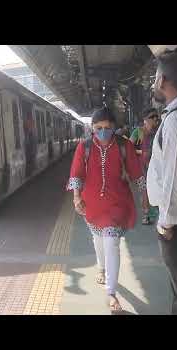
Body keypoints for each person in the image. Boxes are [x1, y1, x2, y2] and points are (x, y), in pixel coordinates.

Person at [67, 106, 145, 313]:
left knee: (111, 242)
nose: (103, 131)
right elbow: (76, 174)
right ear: (92, 128)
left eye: (108, 127)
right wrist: (76, 198)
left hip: (117, 204)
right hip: (91, 204)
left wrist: (146, 198)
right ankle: (101, 267)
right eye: (99, 127)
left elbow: (136, 173)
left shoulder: (124, 145)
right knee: (98, 239)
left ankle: (111, 292)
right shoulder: (83, 147)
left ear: (114, 128)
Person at [147, 49, 177, 315]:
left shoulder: (176, 122)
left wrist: (165, 224)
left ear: (164, 80)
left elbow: (174, 179)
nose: (152, 82)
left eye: (155, 76)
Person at [129, 108, 160, 224]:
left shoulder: (159, 131)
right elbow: (129, 148)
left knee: (156, 189)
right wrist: (142, 152)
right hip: (141, 168)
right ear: (145, 119)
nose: (155, 119)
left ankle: (158, 213)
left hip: (156, 166)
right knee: (144, 191)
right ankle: (146, 214)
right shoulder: (138, 132)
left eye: (156, 116)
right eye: (152, 117)